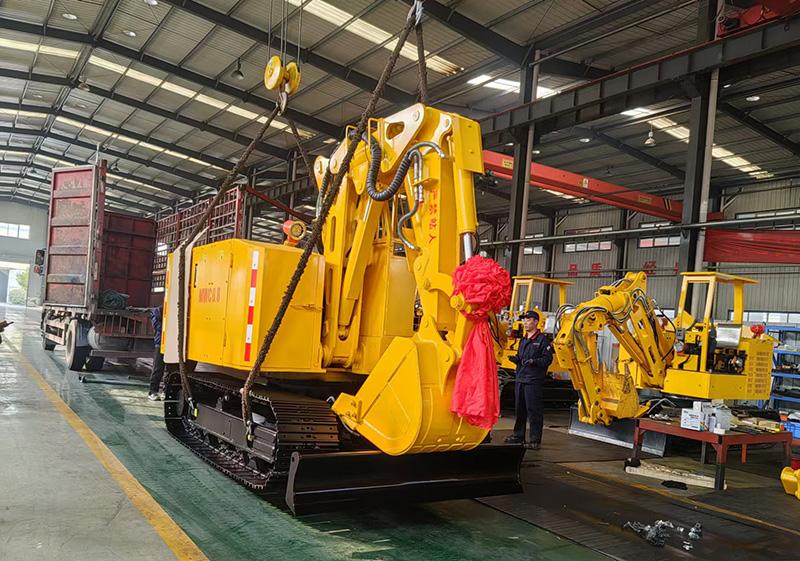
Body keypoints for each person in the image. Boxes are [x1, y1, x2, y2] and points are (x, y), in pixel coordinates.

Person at [504, 310, 553, 449]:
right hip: (521, 378)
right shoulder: (523, 340)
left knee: (534, 410)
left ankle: (535, 440)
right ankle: (518, 436)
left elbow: (547, 359)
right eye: (524, 320)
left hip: (533, 380)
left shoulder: (542, 341)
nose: (525, 323)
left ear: (536, 322)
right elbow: (522, 358)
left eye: (528, 320)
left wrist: (534, 361)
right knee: (519, 409)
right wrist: (516, 360)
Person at [148, 306, 165, 401]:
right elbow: (157, 326)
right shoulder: (159, 311)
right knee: (158, 368)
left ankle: (165, 390)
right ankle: (153, 391)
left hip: (173, 344)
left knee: (171, 370)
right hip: (161, 344)